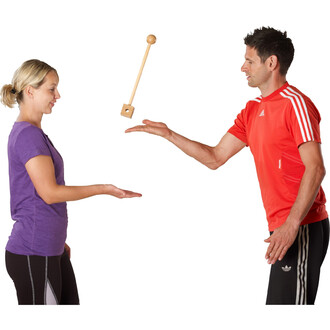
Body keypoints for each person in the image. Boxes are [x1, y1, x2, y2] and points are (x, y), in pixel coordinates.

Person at [125, 27, 329, 305]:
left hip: (301, 225)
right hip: (281, 227)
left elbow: (316, 168)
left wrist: (292, 225)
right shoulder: (252, 109)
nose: (242, 67)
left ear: (271, 63)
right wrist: (169, 134)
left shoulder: (297, 105)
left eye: (250, 60)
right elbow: (215, 157)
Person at [1, 59, 142, 305]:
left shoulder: (33, 133)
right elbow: (49, 193)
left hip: (49, 247)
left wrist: (57, 240)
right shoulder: (28, 135)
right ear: (30, 91)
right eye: (52, 88)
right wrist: (105, 189)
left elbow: (33, 193)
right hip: (34, 251)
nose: (58, 95)